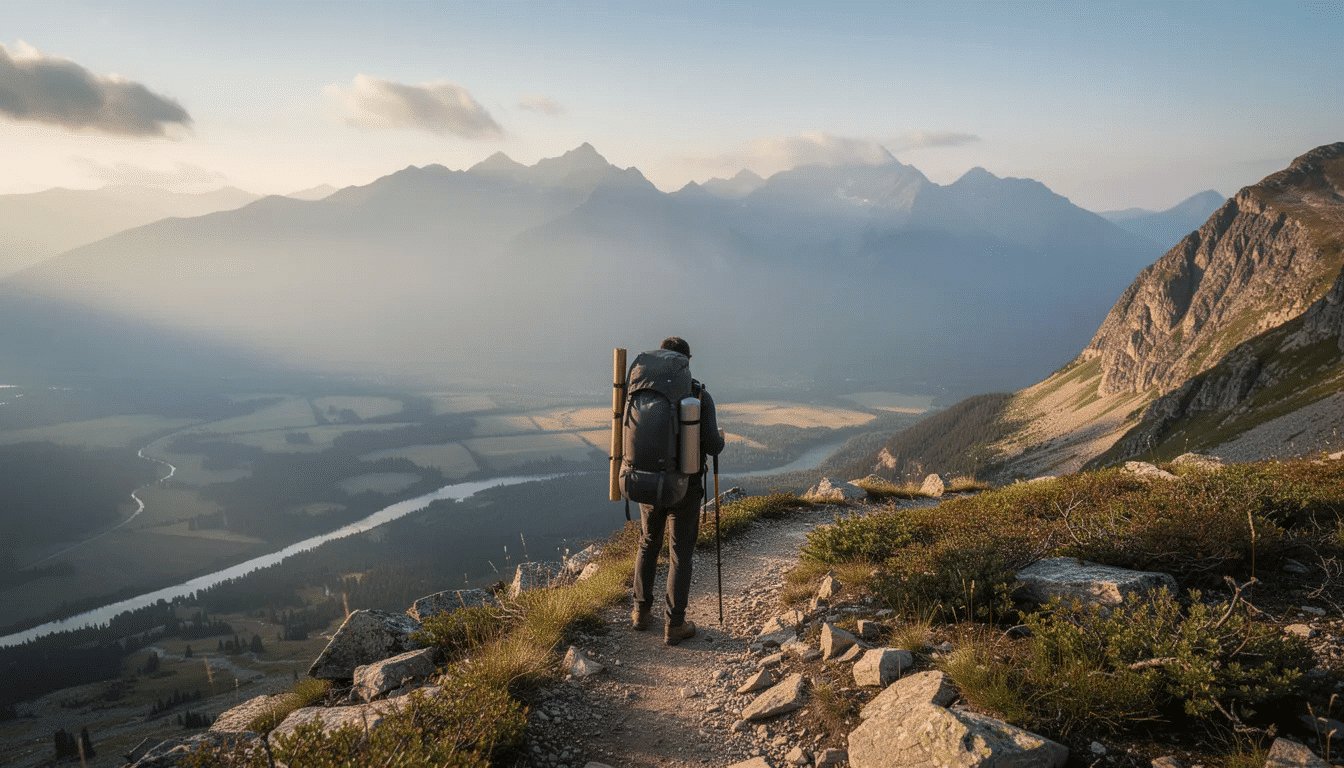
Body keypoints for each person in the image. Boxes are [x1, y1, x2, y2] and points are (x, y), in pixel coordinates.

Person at [631, 336, 726, 645]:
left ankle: (641, 613)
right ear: (686, 362)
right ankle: (676, 624)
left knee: (648, 543)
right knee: (680, 555)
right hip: (685, 487)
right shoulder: (698, 394)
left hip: (646, 482)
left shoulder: (639, 391)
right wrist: (721, 437)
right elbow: (712, 445)